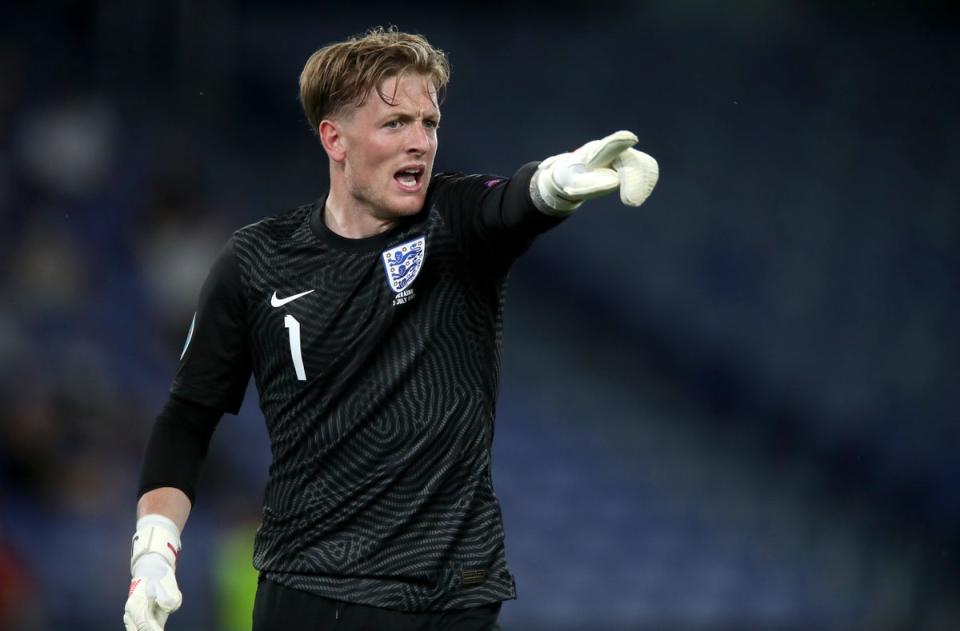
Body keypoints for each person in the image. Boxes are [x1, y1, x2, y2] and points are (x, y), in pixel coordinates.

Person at [122, 26, 658, 631]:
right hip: (316, 591)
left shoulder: (453, 219)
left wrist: (558, 183)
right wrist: (153, 553)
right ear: (335, 138)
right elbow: (188, 417)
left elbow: (511, 205)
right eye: (395, 123)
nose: (420, 143)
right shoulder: (256, 263)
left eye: (428, 123)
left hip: (458, 595)